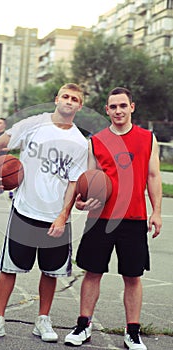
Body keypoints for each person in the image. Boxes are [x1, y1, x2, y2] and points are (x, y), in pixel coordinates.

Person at [0, 83, 88, 343]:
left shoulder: (80, 142)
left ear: (80, 106)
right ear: (56, 98)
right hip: (24, 209)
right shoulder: (34, 124)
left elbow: (74, 182)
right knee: (8, 268)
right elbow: (1, 142)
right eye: (65, 96)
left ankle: (43, 320)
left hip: (55, 217)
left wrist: (63, 215)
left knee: (50, 273)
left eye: (75, 99)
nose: (69, 101)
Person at [64, 87, 162, 349]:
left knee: (132, 276)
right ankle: (83, 325)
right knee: (92, 272)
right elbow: (89, 181)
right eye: (113, 107)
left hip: (133, 218)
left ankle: (132, 331)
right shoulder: (95, 141)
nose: (118, 110)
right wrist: (82, 202)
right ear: (107, 110)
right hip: (101, 219)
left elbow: (153, 177)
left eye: (122, 105)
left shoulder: (147, 138)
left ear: (132, 107)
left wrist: (157, 212)